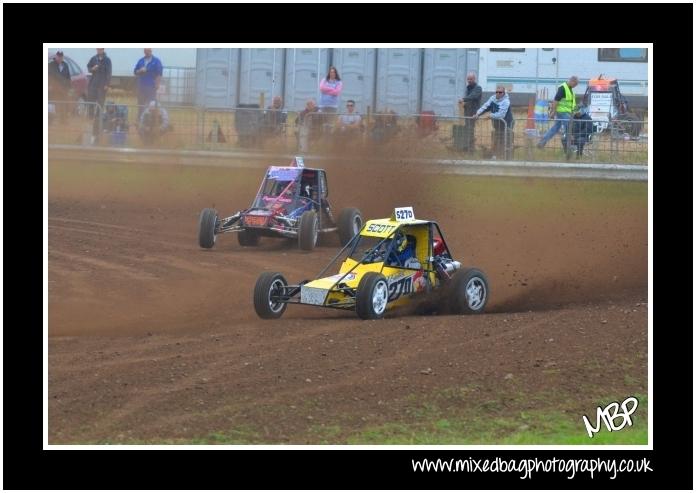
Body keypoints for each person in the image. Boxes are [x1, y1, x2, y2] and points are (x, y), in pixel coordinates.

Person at [537, 75, 579, 150]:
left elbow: (570, 103)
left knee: (555, 128)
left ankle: (542, 142)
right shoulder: (563, 88)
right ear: (572, 81)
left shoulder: (569, 89)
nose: (575, 86)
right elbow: (556, 100)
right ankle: (569, 146)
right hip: (562, 112)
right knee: (569, 127)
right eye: (575, 84)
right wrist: (553, 111)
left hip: (565, 112)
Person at [474, 86, 513, 157]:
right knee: (497, 141)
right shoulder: (492, 98)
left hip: (507, 124)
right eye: (496, 92)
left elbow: (501, 114)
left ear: (504, 93)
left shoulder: (506, 101)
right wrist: (477, 113)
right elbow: (485, 106)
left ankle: (506, 157)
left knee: (505, 141)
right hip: (497, 125)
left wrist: (490, 115)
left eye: (500, 92)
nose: (498, 93)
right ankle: (497, 156)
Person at [133, 48, 163, 118]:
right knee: (140, 105)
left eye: (148, 51)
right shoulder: (140, 61)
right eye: (145, 51)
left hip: (151, 87)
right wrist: (140, 70)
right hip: (141, 87)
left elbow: (159, 74)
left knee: (151, 105)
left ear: (151, 51)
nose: (147, 52)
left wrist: (157, 84)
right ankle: (140, 121)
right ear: (144, 51)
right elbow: (135, 72)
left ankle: (151, 121)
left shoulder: (156, 61)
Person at [457, 71, 482, 150]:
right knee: (467, 129)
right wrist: (464, 104)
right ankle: (467, 146)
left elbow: (473, 96)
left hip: (473, 112)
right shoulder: (468, 88)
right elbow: (469, 99)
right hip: (467, 111)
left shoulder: (478, 88)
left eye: (471, 79)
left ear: (474, 79)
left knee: (470, 129)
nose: (469, 81)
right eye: (468, 79)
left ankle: (470, 147)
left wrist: (463, 99)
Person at [86, 48, 112, 119]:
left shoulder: (107, 60)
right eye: (98, 49)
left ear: (103, 50)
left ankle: (98, 119)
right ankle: (90, 118)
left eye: (100, 49)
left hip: (102, 85)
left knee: (100, 102)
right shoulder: (93, 58)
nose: (99, 50)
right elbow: (88, 67)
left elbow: (109, 73)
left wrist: (107, 84)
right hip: (93, 84)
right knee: (91, 101)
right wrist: (92, 69)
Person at [48, 51, 72, 123]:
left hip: (63, 89)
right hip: (53, 89)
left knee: (63, 104)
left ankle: (63, 121)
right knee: (51, 105)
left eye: (61, 57)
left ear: (62, 57)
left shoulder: (65, 65)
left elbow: (68, 77)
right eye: (58, 56)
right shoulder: (50, 65)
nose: (59, 58)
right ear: (56, 56)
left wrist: (69, 88)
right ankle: (49, 121)